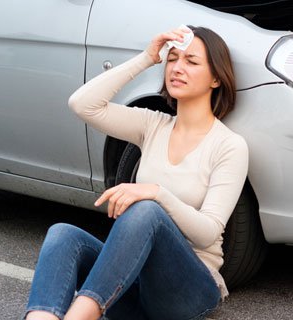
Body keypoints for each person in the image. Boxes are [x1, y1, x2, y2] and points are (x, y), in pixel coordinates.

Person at [23, 25, 248, 320]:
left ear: (216, 78)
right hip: (132, 284)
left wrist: (156, 193)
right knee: (63, 236)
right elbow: (83, 105)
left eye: (191, 62)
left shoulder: (230, 145)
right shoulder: (152, 125)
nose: (178, 68)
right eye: (173, 59)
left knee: (147, 210)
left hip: (187, 291)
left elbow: (208, 232)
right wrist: (147, 57)